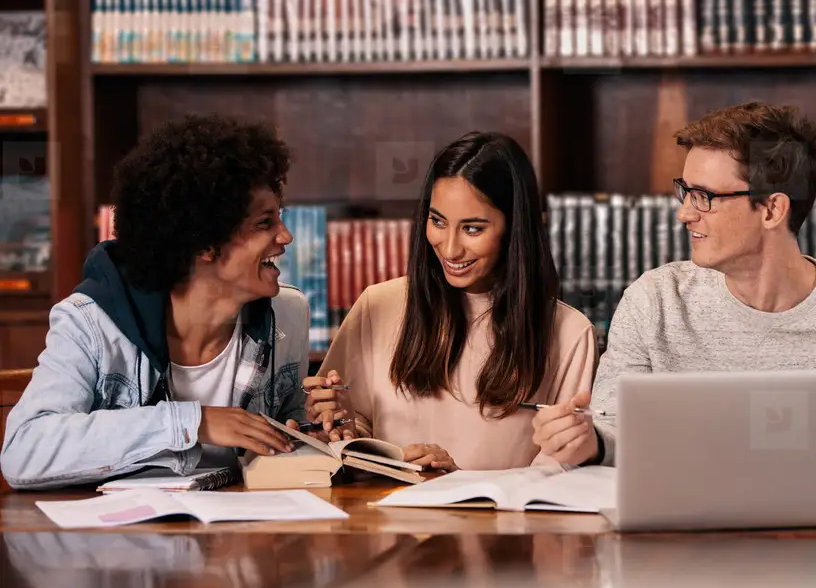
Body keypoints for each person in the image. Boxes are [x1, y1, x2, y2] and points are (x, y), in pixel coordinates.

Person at [531, 101, 816, 467]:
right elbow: (612, 431)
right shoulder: (654, 301)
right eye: (685, 191)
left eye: (704, 197)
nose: (684, 213)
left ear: (772, 209)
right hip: (661, 523)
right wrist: (586, 440)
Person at [1, 115, 308, 490]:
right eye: (265, 223)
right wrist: (191, 423)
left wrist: (320, 426)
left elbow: (287, 429)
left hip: (242, 537)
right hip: (113, 542)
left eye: (281, 217)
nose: (286, 236)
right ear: (202, 243)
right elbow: (23, 452)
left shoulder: (288, 315)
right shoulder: (91, 324)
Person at [303, 131, 598, 471]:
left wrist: (456, 480)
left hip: (497, 522)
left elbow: (558, 474)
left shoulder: (569, 333)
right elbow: (350, 437)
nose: (450, 248)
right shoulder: (377, 305)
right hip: (383, 517)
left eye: (472, 229)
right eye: (438, 221)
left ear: (514, 228)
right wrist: (341, 422)